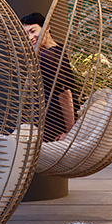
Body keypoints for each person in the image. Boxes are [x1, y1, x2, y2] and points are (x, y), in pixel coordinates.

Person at [21, 11, 78, 139]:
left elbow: (65, 94)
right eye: (25, 34)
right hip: (50, 118)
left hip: (52, 121)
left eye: (33, 31)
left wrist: (70, 133)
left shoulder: (47, 56)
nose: (30, 37)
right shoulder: (58, 50)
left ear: (47, 27)